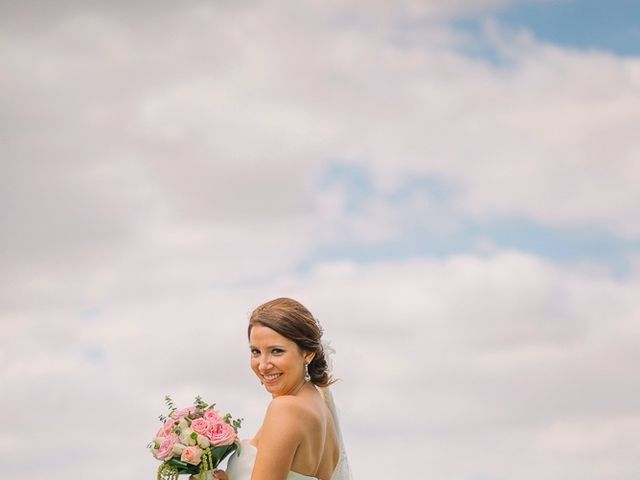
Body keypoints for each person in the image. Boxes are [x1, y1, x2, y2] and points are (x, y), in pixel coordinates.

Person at [213, 297, 352, 480]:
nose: (263, 365)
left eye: (276, 351)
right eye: (256, 351)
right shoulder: (321, 407)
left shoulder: (285, 409)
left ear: (308, 354)